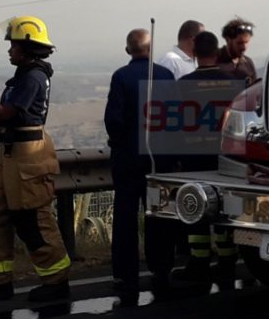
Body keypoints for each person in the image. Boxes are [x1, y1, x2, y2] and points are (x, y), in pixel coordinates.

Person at [0, 15, 71, 303]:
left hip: (26, 155)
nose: (9, 50)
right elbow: (4, 111)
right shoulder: (22, 77)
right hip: (7, 153)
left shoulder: (33, 77)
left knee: (31, 216)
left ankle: (55, 280)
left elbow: (6, 113)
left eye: (14, 45)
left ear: (28, 47)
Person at [104, 28, 176, 293]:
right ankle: (161, 267)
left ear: (127, 50)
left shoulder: (121, 77)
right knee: (158, 215)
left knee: (125, 216)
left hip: (128, 159)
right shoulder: (167, 75)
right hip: (160, 159)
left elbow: (114, 120)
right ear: (151, 48)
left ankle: (125, 273)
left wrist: (120, 144)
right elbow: (175, 119)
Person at [175, 32, 246, 285]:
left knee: (197, 209)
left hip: (194, 157)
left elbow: (177, 124)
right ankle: (227, 262)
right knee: (225, 208)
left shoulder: (183, 84)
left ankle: (199, 262)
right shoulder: (236, 82)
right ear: (217, 53)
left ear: (194, 53)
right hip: (226, 156)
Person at [217, 17, 258, 85]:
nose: (244, 47)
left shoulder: (248, 63)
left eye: (246, 42)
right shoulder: (214, 60)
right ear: (228, 40)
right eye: (240, 43)